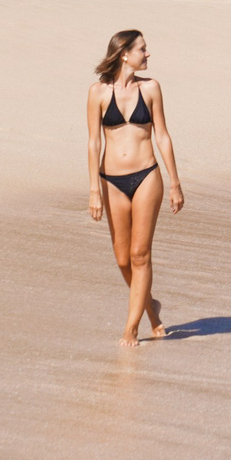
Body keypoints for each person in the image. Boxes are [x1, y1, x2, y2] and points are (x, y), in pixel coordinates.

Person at [86, 29, 183, 348]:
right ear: (124, 54)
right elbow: (93, 143)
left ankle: (131, 328)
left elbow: (162, 136)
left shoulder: (151, 88)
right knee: (122, 259)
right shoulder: (98, 92)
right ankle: (151, 309)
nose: (148, 53)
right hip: (111, 181)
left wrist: (175, 182)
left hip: (147, 177)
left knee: (140, 255)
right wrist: (94, 190)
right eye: (142, 49)